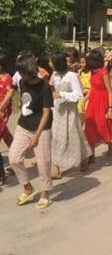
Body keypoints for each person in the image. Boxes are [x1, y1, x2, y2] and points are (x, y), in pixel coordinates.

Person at [8, 55, 53, 209]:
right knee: (14, 158)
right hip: (24, 124)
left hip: (41, 127)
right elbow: (24, 100)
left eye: (21, 72)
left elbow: (46, 112)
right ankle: (28, 188)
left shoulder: (45, 87)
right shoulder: (22, 82)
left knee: (43, 163)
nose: (19, 76)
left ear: (29, 71)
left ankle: (45, 193)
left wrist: (37, 135)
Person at [49, 51, 90, 178]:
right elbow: (51, 90)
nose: (49, 63)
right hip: (57, 111)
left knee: (74, 136)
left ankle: (84, 158)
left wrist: (61, 94)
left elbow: (78, 95)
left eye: (51, 61)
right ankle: (56, 167)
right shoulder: (54, 75)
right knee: (56, 138)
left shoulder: (71, 75)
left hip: (70, 111)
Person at [84, 49, 112, 161]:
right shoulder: (92, 72)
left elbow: (109, 91)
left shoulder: (103, 73)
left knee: (101, 126)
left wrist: (110, 108)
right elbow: (92, 87)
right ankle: (91, 154)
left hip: (102, 102)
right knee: (90, 127)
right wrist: (85, 99)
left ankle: (110, 144)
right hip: (92, 102)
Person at [0, 54, 13, 186]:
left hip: (3, 111)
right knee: (5, 134)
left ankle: (1, 174)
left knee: (2, 131)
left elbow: (10, 94)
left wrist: (2, 107)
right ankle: (16, 156)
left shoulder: (8, 77)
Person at [78, 55, 91, 121]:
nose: (81, 64)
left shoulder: (91, 73)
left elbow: (92, 87)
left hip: (89, 97)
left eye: (83, 62)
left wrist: (86, 98)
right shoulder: (79, 72)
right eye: (80, 62)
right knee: (80, 114)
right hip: (81, 96)